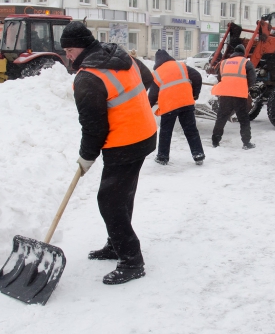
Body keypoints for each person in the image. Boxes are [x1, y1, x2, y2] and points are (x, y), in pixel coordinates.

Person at [61, 21, 156, 285]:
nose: (67, 55)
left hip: (126, 143)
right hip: (144, 133)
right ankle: (116, 244)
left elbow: (93, 128)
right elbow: (147, 79)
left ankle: (132, 260)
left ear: (81, 47)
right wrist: (135, 110)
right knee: (122, 195)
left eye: (69, 50)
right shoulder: (119, 55)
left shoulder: (88, 78)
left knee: (110, 200)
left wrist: (86, 157)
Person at [148, 49, 205, 166]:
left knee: (166, 132)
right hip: (186, 102)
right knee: (191, 130)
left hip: (169, 106)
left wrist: (147, 107)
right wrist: (195, 93)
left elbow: (152, 95)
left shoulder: (157, 73)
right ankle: (198, 155)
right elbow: (197, 76)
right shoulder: (181, 66)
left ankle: (162, 157)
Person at [211, 44, 257, 149]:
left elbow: (219, 77)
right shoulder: (246, 63)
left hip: (225, 95)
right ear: (243, 53)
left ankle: (215, 141)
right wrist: (243, 86)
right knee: (244, 119)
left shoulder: (223, 63)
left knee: (221, 118)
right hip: (239, 96)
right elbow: (252, 79)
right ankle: (246, 143)